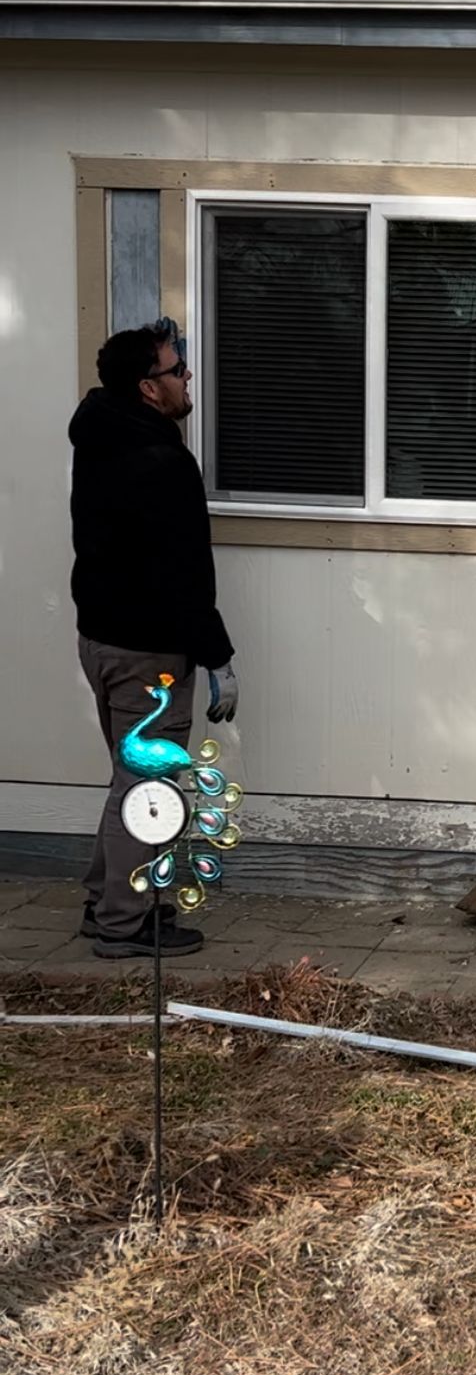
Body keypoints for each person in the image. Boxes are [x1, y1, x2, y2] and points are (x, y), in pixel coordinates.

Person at [69, 321, 239, 958]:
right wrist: (218, 656)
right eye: (176, 369)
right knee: (147, 788)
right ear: (147, 387)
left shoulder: (101, 433)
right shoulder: (157, 461)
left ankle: (101, 901)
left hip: (104, 641)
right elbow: (180, 572)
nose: (186, 376)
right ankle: (124, 924)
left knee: (127, 777)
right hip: (147, 652)